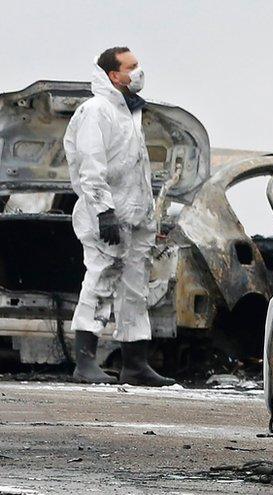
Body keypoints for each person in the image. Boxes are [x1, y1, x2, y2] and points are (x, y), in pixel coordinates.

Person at [62, 47, 174, 386]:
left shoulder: (128, 112)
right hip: (107, 215)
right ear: (114, 74)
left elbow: (134, 168)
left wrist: (147, 216)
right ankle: (85, 362)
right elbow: (90, 167)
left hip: (136, 216)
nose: (139, 72)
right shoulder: (96, 111)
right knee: (100, 280)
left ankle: (135, 363)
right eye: (132, 66)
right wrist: (103, 211)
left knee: (135, 287)